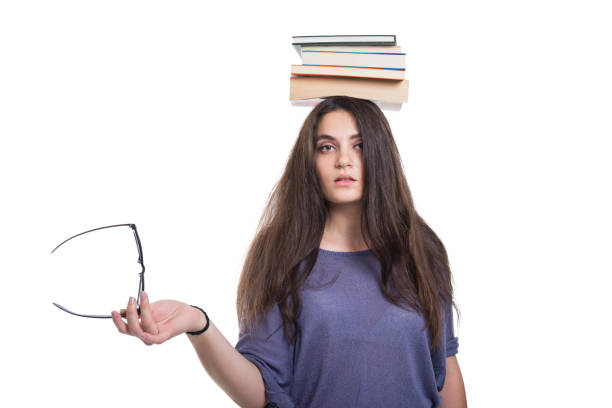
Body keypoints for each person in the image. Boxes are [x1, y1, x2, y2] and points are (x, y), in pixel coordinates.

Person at [111, 96, 467, 408]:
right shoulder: (281, 254)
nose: (344, 160)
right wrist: (198, 324)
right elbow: (262, 393)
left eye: (358, 145)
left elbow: (445, 370)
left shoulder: (421, 248)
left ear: (380, 155)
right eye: (327, 147)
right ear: (309, 160)